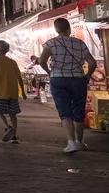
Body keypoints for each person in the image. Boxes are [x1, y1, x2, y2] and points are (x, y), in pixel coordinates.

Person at [39, 18, 97, 153]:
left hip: (58, 79)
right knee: (78, 109)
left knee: (65, 110)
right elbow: (92, 63)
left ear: (56, 29)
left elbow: (42, 60)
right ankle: (80, 141)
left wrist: (49, 72)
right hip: (78, 79)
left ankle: (71, 142)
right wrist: (87, 75)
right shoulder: (80, 43)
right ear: (69, 29)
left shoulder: (51, 43)